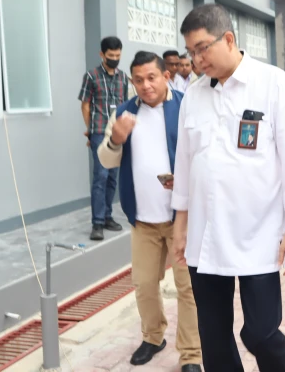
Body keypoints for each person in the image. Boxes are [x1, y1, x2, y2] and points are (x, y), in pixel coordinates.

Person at [172, 4, 285, 372]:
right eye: (191, 52)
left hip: (258, 233)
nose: (197, 60)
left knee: (261, 333)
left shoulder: (272, 83)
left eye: (203, 48)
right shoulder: (193, 95)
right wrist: (180, 226)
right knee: (213, 336)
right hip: (205, 234)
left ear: (229, 39)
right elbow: (184, 164)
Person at [97, 51, 202, 371]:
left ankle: (191, 354)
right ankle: (153, 337)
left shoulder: (186, 106)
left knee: (188, 288)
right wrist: (115, 139)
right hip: (143, 220)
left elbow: (204, 153)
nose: (146, 85)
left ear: (166, 76)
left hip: (181, 219)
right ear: (132, 81)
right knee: (144, 284)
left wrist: (188, 181)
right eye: (139, 80)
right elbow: (106, 159)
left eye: (152, 78)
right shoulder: (124, 113)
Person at [78, 36, 129, 240]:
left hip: (116, 132)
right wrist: (90, 130)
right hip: (99, 130)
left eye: (117, 55)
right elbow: (85, 105)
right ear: (102, 54)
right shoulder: (91, 76)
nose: (114, 59)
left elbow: (125, 104)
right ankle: (97, 222)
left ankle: (107, 216)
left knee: (112, 177)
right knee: (100, 176)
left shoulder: (123, 77)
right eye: (111, 55)